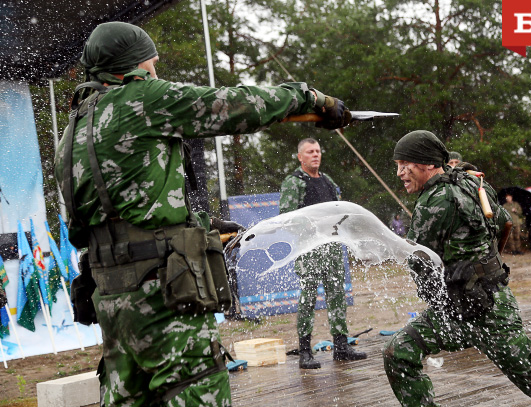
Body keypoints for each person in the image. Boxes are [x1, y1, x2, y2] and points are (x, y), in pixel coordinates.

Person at [54, 22, 351, 406]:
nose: (156, 72)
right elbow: (237, 105)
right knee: (196, 391)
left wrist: (198, 225)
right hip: (163, 296)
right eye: (152, 64)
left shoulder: (76, 126)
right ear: (134, 65)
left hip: (111, 299)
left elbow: (116, 213)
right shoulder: (141, 98)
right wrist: (312, 99)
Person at [383, 130, 531, 407]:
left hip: (488, 313)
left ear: (429, 163)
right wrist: (486, 265)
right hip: (463, 306)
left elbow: (417, 261)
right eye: (398, 165)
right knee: (399, 350)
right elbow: (504, 222)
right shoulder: (472, 182)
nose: (400, 173)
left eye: (405, 165)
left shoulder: (435, 202)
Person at [279, 138, 366, 369]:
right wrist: (314, 229)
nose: (315, 155)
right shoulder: (294, 182)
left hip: (333, 247)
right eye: (310, 152)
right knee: (308, 299)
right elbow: (286, 217)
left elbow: (339, 209)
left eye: (317, 151)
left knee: (337, 296)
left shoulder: (328, 180)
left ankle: (341, 346)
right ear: (300, 157)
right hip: (309, 249)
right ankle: (305, 351)